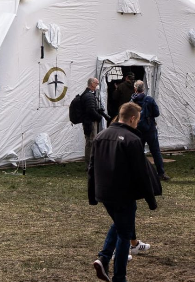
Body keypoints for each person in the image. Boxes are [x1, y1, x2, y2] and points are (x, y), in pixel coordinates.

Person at [88, 102, 160, 282]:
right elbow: (141, 174)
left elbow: (91, 168)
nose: (138, 123)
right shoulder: (132, 140)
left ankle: (104, 258)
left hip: (104, 193)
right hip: (124, 194)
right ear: (133, 118)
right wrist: (151, 200)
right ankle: (119, 276)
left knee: (120, 224)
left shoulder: (100, 136)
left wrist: (92, 195)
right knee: (124, 233)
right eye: (138, 119)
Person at [130, 80, 170, 182]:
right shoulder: (149, 99)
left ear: (135, 89)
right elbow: (156, 113)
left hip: (137, 129)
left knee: (138, 152)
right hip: (150, 128)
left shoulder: (131, 101)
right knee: (155, 151)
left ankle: (138, 173)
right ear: (143, 89)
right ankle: (160, 173)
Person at [80, 78, 111, 166]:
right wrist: (99, 117)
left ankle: (90, 162)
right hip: (90, 122)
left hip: (88, 121)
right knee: (90, 142)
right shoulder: (89, 95)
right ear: (92, 84)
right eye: (96, 83)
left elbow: (91, 108)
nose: (98, 84)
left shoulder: (88, 94)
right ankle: (89, 163)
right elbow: (90, 110)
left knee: (90, 141)